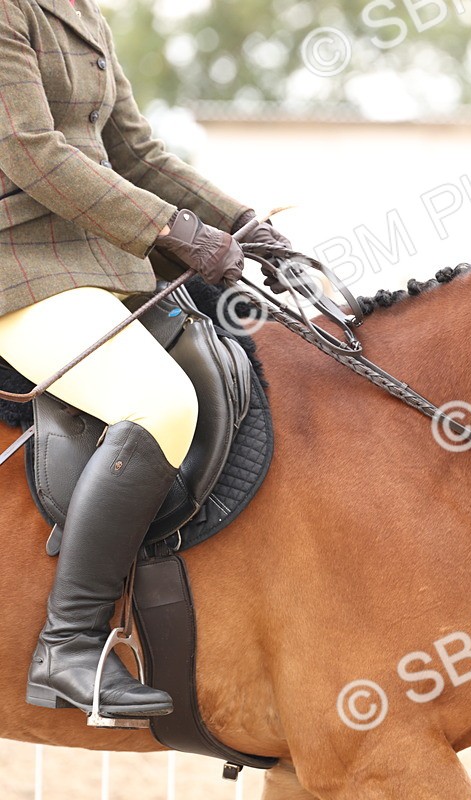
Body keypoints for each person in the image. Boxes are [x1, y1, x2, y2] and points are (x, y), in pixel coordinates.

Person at [0, 0, 288, 720]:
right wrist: (174, 230)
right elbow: (29, 148)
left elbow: (136, 154)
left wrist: (242, 222)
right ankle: (68, 648)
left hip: (106, 267)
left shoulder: (80, 13)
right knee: (157, 402)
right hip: (19, 269)